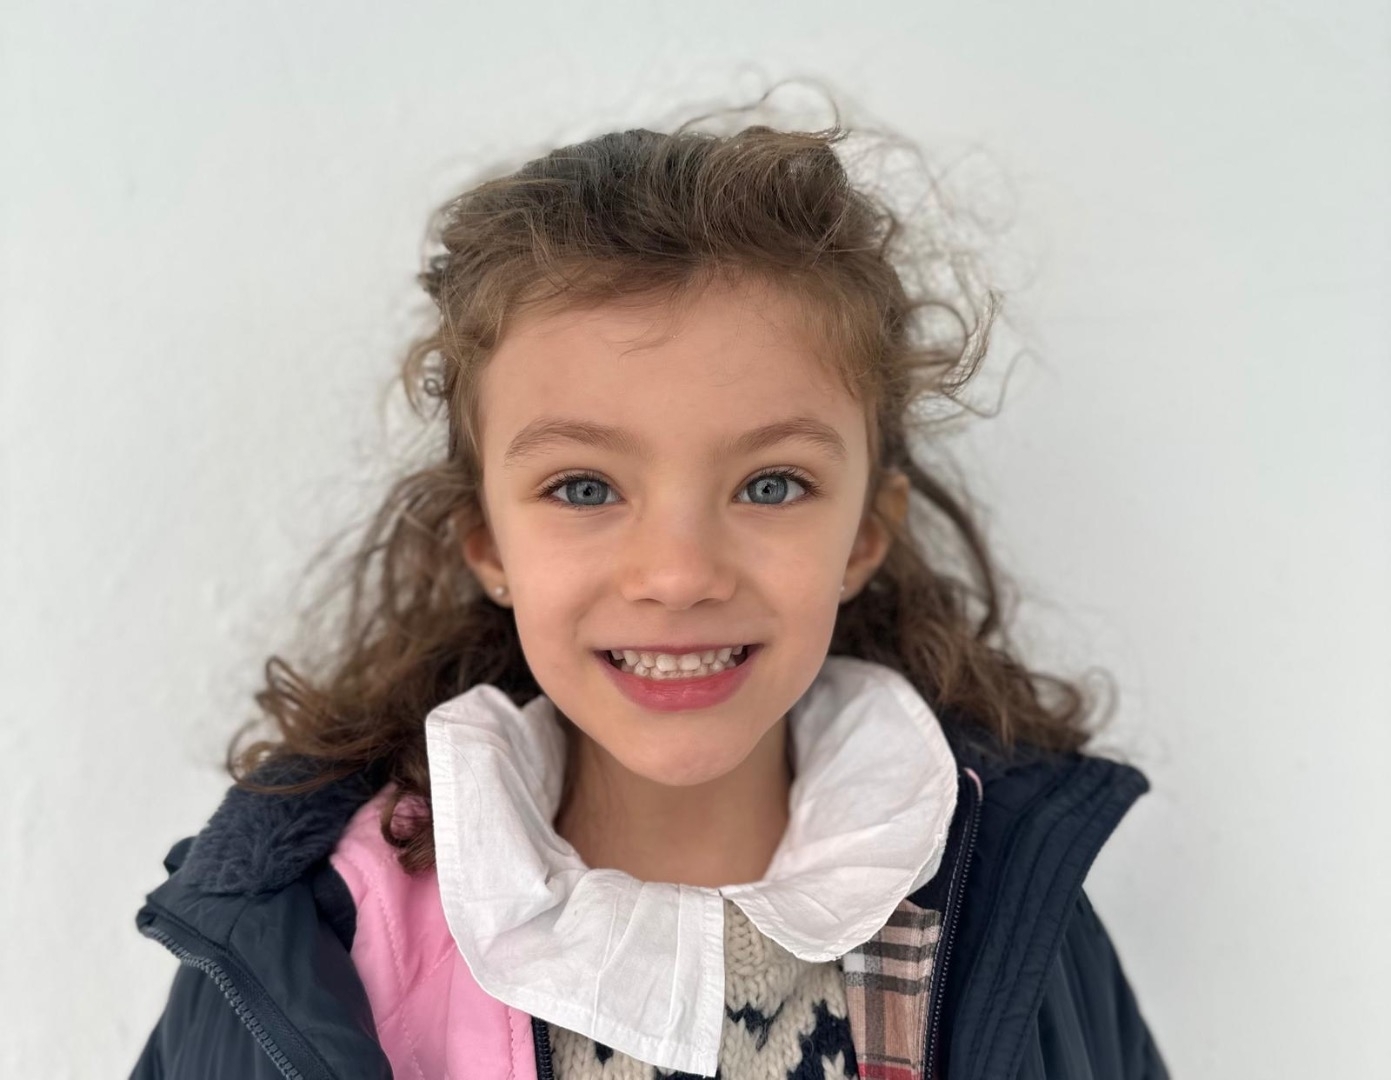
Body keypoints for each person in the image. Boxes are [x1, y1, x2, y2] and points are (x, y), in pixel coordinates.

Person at [130, 93, 1169, 1080]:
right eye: (583, 488)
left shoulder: (1008, 911)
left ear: (863, 535)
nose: (677, 576)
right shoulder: (313, 941)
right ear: (486, 543)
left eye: (770, 484)